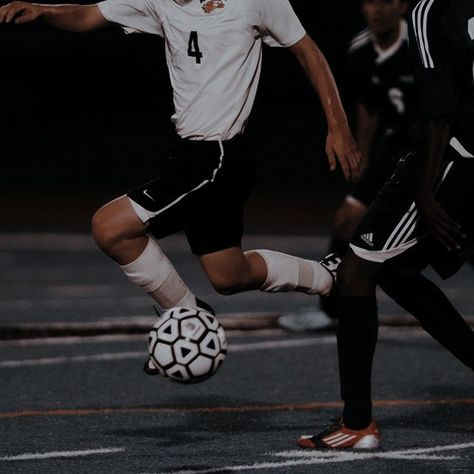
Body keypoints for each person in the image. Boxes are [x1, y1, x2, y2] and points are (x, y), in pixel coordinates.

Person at [0, 0, 360, 369]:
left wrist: (339, 125)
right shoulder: (159, 2)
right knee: (228, 273)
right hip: (188, 155)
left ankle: (188, 317)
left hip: (219, 158)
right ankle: (329, 277)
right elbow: (92, 14)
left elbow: (308, 52)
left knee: (109, 227)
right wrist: (44, 10)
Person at [298, 0, 474, 449]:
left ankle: (356, 425)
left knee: (356, 272)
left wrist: (425, 190)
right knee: (394, 270)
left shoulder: (429, 11)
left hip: (450, 161)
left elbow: (439, 110)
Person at [279, 0, 419, 332]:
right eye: (371, 2)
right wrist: (363, 155)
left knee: (458, 233)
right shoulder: (359, 50)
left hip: (437, 149)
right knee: (345, 221)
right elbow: (368, 107)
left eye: (387, 2)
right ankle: (330, 310)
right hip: (394, 147)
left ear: (402, 7)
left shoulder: (421, 43)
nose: (378, 10)